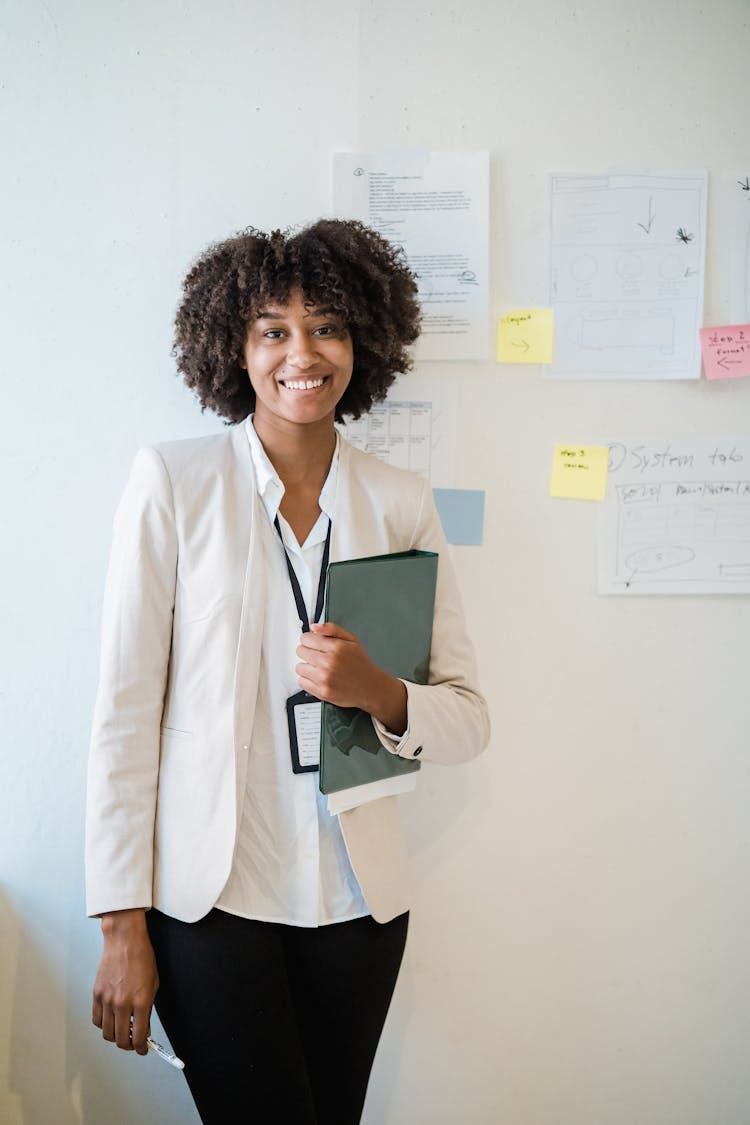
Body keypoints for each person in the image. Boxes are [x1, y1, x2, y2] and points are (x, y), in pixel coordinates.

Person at [86, 218, 490, 1124]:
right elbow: (122, 713)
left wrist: (379, 693)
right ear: (234, 346)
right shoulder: (175, 483)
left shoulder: (399, 501)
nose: (302, 353)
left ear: (363, 345)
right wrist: (120, 924)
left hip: (358, 903)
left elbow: (466, 715)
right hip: (210, 900)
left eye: (328, 327)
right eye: (274, 329)